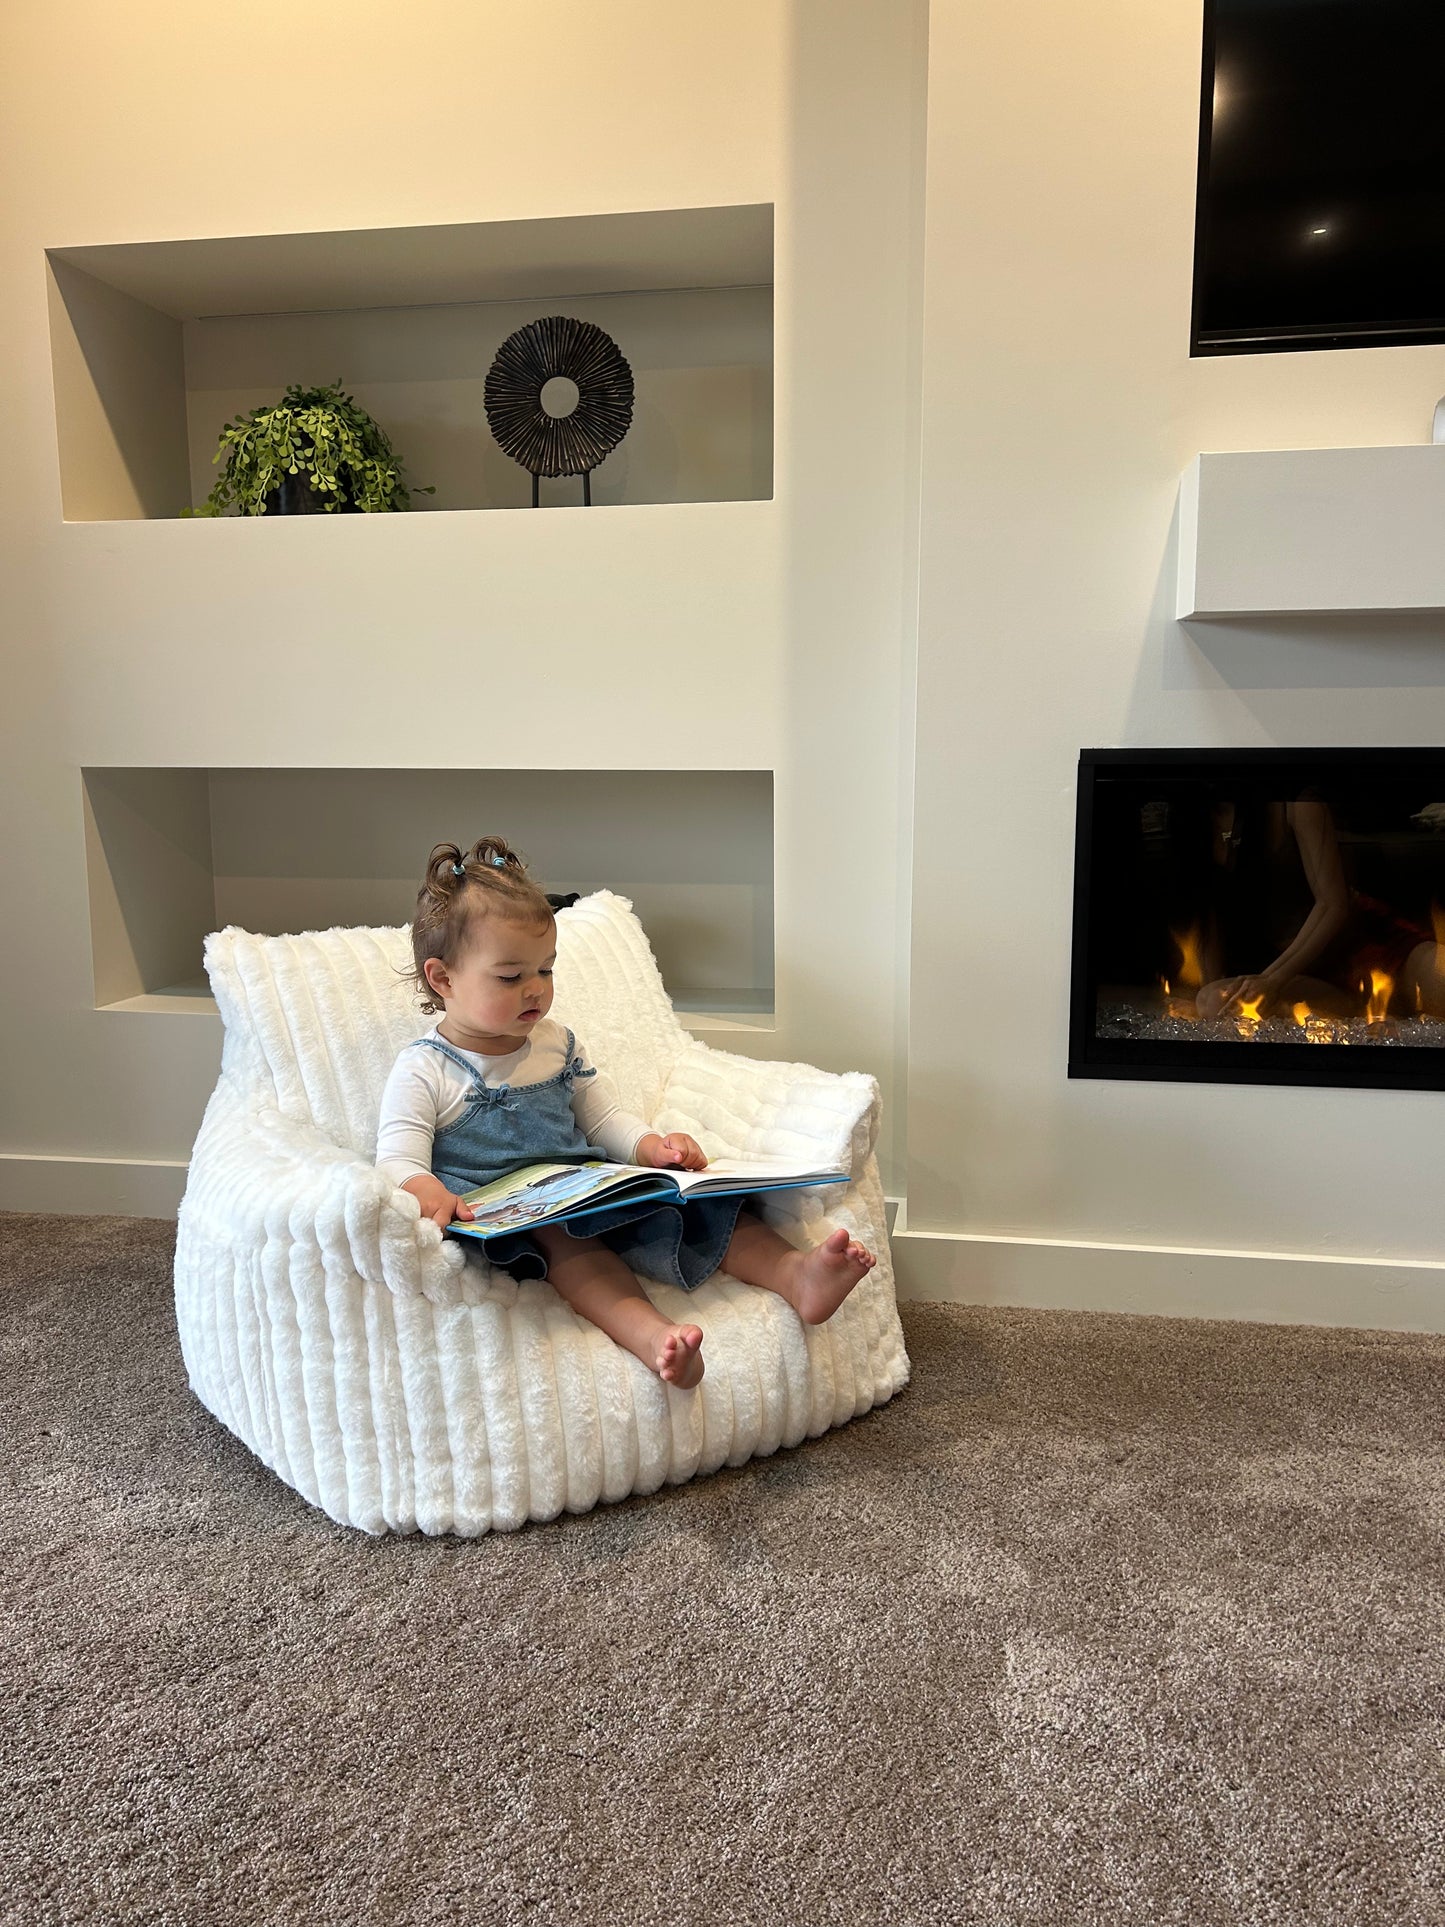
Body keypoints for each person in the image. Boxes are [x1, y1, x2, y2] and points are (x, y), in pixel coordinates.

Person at [376, 837, 876, 1389]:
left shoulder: (555, 1044)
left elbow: (602, 1117)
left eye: (546, 970)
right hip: (513, 1218)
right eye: (511, 976)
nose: (535, 991)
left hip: (583, 1184)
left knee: (690, 1205)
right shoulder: (426, 1069)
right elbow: (398, 1154)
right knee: (572, 1248)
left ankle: (797, 1275)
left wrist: (650, 1148)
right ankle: (655, 1338)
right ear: (443, 979)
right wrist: (421, 1186)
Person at [1191, 793, 1444, 1022]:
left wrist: (1271, 979)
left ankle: (1383, 1005)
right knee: (1213, 1002)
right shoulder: (1196, 820)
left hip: (1362, 946)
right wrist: (1208, 991)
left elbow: (1333, 905)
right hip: (1297, 974)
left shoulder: (1297, 802)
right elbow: (1208, 916)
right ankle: (1364, 1011)